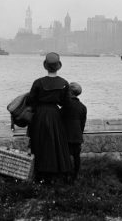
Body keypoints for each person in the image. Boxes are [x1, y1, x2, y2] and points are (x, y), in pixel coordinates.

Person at [27, 52, 72, 182]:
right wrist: (58, 114)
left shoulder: (38, 82)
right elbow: (67, 104)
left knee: (39, 142)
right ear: (58, 66)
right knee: (56, 143)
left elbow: (31, 101)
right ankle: (56, 172)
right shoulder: (64, 82)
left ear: (45, 66)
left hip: (40, 114)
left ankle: (40, 171)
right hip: (55, 114)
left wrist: (38, 108)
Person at [62, 82, 87, 181]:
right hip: (77, 136)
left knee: (66, 156)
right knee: (76, 157)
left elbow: (61, 118)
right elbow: (82, 124)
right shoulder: (82, 107)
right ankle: (75, 176)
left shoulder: (66, 105)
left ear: (70, 92)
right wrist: (79, 133)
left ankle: (66, 176)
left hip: (66, 135)